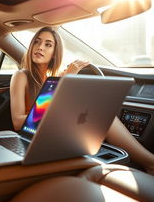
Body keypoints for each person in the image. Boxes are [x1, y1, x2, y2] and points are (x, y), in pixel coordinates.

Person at [10, 26, 154, 175]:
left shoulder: (56, 77)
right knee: (101, 119)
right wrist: (64, 81)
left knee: (102, 115)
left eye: (48, 44)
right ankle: (150, 163)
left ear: (54, 54)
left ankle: (147, 162)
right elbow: (17, 121)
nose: (40, 47)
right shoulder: (21, 76)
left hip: (59, 129)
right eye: (37, 42)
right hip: (37, 136)